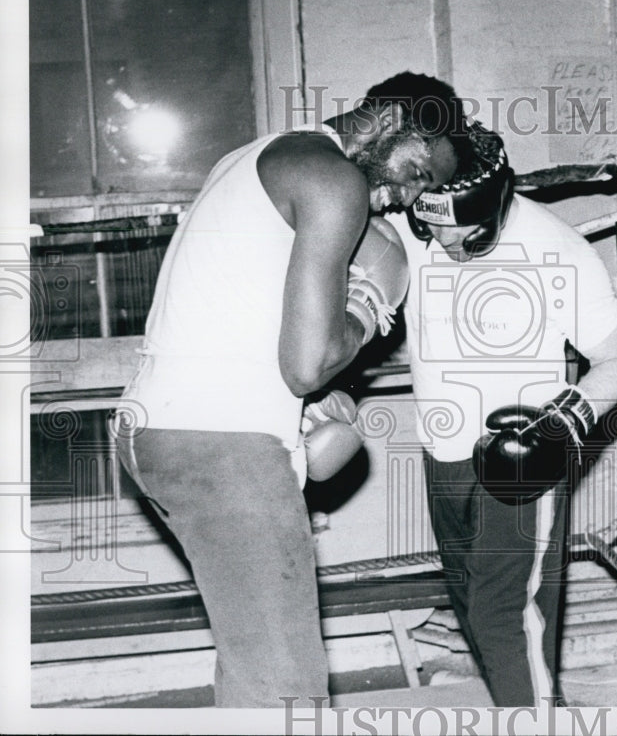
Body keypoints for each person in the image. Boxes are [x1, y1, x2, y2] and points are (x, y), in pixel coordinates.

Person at [115, 72, 468, 707]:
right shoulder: (336, 181)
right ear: (391, 120)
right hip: (221, 446)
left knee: (254, 666)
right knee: (288, 696)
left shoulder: (259, 154)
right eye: (418, 171)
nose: (407, 197)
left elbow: (254, 322)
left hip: (156, 430)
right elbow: (306, 366)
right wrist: (366, 310)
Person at [385, 122, 617, 707]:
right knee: (474, 604)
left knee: (506, 614)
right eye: (435, 234)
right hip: (442, 452)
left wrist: (559, 426)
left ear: (496, 205)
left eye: (466, 238)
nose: (447, 250)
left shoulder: (557, 249)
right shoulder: (407, 223)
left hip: (523, 458)